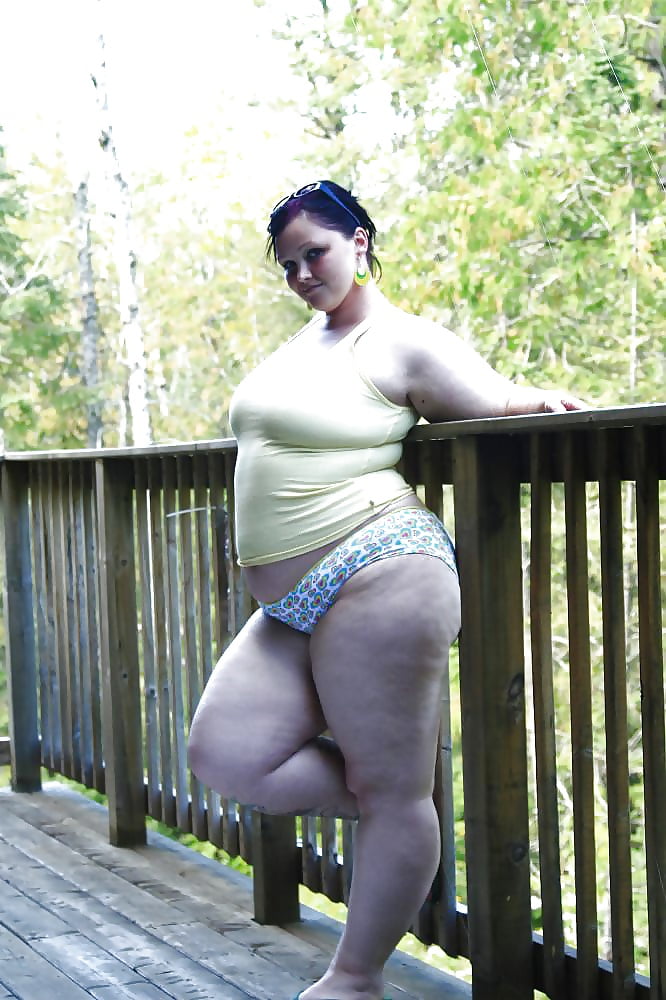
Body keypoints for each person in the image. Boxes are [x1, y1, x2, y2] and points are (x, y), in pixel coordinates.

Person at [187, 180, 585, 1000]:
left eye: (316, 254)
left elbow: (491, 400)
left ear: (360, 242)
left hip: (379, 571)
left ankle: (354, 977)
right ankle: (395, 806)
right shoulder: (310, 340)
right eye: (289, 263)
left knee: (395, 793)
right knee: (223, 754)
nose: (302, 274)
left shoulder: (402, 341)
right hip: (292, 602)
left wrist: (534, 403)